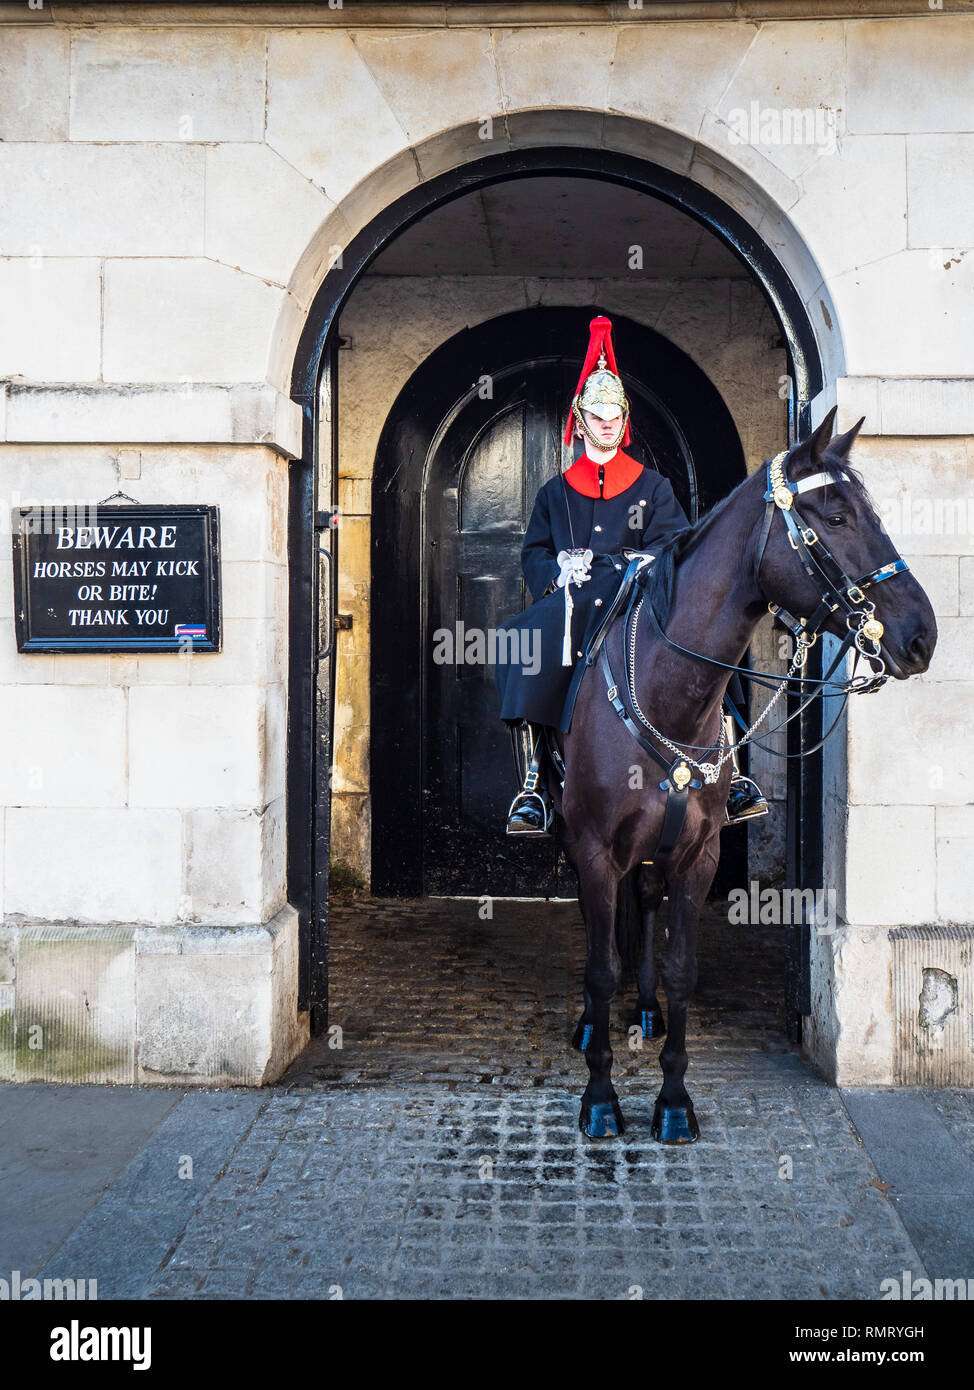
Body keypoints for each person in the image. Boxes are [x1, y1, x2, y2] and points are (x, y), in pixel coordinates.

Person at [494, 314, 768, 836]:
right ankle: (532, 782)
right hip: (577, 598)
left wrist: (647, 561)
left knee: (721, 642)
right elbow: (533, 551)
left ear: (624, 421)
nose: (606, 425)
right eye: (596, 417)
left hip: (638, 598)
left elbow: (677, 547)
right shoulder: (555, 491)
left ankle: (734, 776)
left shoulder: (654, 486)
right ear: (581, 419)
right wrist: (555, 570)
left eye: (614, 416)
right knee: (518, 639)